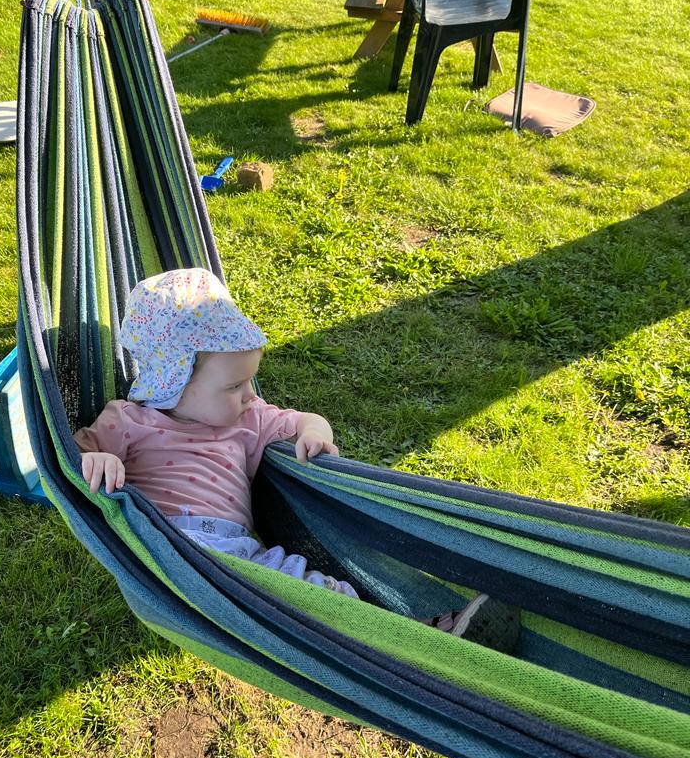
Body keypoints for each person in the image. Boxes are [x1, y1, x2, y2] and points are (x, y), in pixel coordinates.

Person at [74, 269, 520, 653]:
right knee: (299, 604)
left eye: (249, 382)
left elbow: (305, 419)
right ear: (173, 383)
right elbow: (72, 459)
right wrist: (97, 461)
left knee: (320, 597)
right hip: (164, 549)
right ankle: (416, 646)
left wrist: (314, 433)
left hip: (237, 554)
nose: (249, 394)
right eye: (233, 387)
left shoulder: (248, 418)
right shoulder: (127, 420)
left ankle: (418, 645)